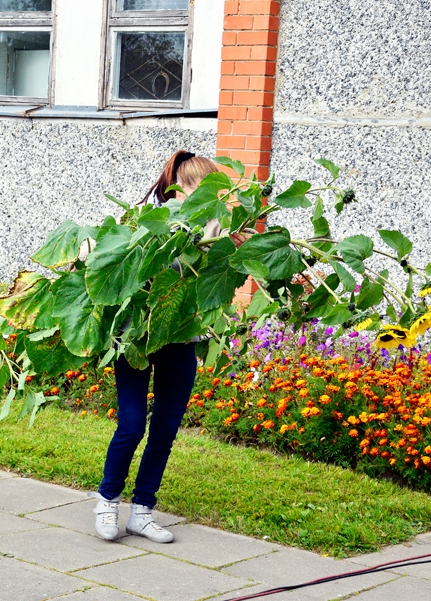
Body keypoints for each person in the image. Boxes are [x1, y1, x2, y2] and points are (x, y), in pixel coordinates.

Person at [91, 151, 247, 543]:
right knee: (131, 424)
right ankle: (107, 501)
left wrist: (234, 244)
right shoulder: (152, 225)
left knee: (165, 428)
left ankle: (142, 511)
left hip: (181, 339)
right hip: (138, 338)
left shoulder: (213, 229)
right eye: (205, 188)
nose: (214, 196)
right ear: (181, 189)